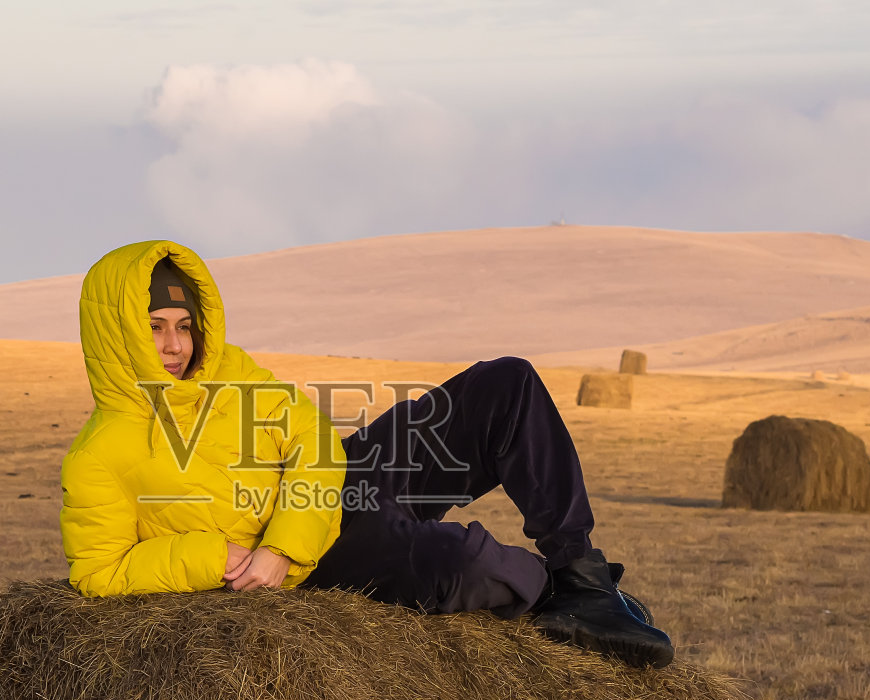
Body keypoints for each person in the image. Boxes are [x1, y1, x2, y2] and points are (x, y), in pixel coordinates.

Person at [60, 240, 673, 668]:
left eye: (183, 324)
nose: (174, 344)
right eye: (155, 326)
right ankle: (552, 599)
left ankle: (583, 576)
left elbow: (312, 441)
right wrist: (214, 557)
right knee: (463, 563)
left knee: (504, 384)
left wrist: (280, 543)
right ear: (119, 330)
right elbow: (100, 571)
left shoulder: (233, 372)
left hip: (339, 487)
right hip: (320, 564)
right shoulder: (99, 454)